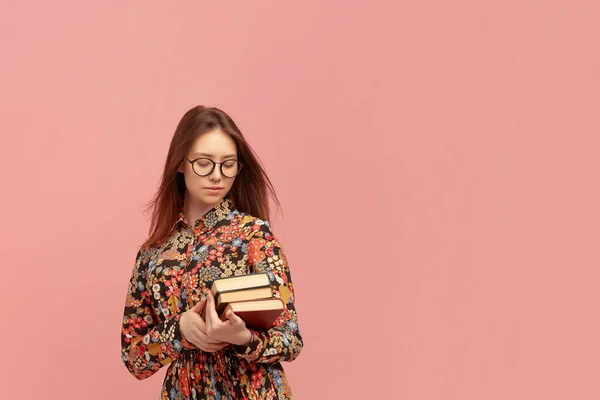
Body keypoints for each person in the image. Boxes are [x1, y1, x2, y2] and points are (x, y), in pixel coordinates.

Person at [120, 106, 303, 400]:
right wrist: (178, 331)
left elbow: (290, 340)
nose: (217, 176)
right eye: (204, 163)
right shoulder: (152, 254)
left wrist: (242, 338)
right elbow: (133, 358)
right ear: (181, 163)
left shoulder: (254, 236)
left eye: (228, 164)